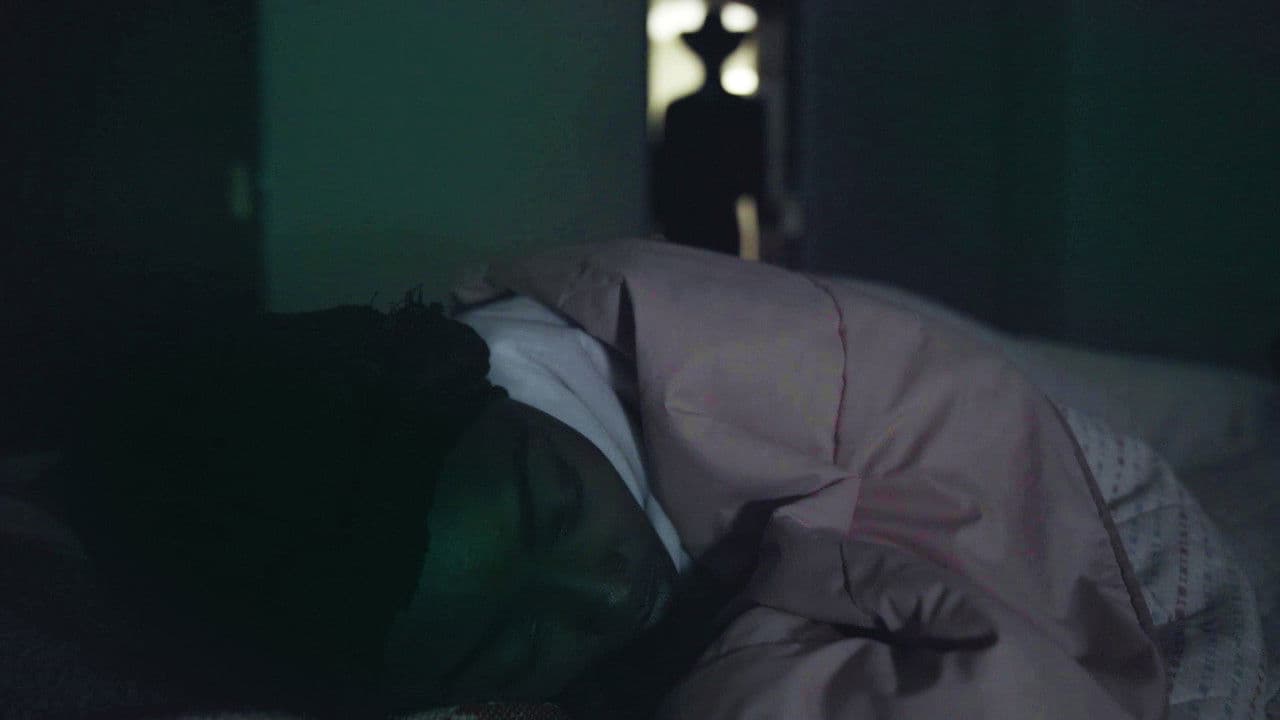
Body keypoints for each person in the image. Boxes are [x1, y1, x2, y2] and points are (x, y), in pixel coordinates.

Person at [26, 238, 1190, 718]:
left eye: (555, 507)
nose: (602, 590)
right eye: (510, 648)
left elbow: (957, 451)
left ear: (495, 397)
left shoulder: (596, 349)